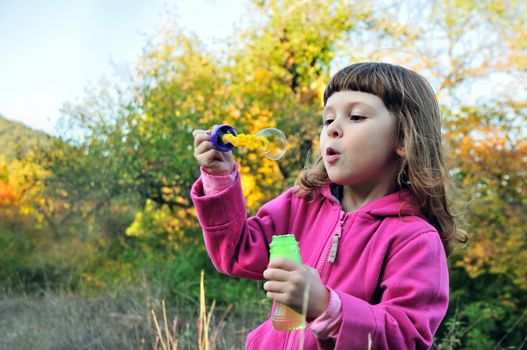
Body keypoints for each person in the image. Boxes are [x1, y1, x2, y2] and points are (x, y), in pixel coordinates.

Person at [191, 62, 468, 349]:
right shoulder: (301, 204)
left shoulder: (414, 239)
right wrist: (219, 178)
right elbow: (235, 252)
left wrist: (326, 306)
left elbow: (406, 337)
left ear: (403, 139)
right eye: (328, 120)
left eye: (356, 116)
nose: (334, 129)